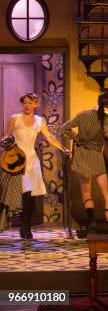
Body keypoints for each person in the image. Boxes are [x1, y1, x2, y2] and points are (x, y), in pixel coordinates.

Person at [1, 93, 70, 239]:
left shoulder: (40, 121)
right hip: (16, 160)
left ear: (35, 105)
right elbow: (6, 135)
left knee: (32, 198)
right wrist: (5, 141)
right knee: (25, 194)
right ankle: (24, 227)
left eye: (30, 103)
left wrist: (63, 148)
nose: (27, 105)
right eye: (25, 102)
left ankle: (25, 227)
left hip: (32, 161)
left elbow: (49, 137)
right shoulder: (15, 118)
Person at [61, 93, 108, 233]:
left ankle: (92, 223)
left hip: (81, 155)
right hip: (96, 155)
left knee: (86, 193)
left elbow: (64, 128)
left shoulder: (83, 114)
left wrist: (77, 138)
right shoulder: (107, 118)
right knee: (106, 196)